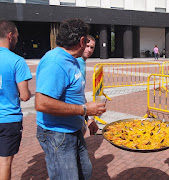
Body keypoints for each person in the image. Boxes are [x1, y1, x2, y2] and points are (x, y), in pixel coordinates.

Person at [35, 18, 107, 179]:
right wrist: (85, 109)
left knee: (85, 173)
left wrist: (87, 118)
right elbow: (41, 103)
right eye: (87, 42)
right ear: (82, 41)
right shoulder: (55, 62)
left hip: (73, 130)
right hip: (57, 134)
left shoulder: (72, 60)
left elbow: (74, 95)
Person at [0, 19, 32, 180]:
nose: (17, 40)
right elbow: (25, 96)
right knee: (4, 162)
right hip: (8, 119)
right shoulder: (17, 61)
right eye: (17, 36)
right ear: (10, 35)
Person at [76, 35, 99, 135]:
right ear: (82, 44)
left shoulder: (82, 62)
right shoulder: (76, 62)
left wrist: (88, 118)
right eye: (87, 46)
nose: (89, 50)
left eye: (92, 47)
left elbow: (80, 92)